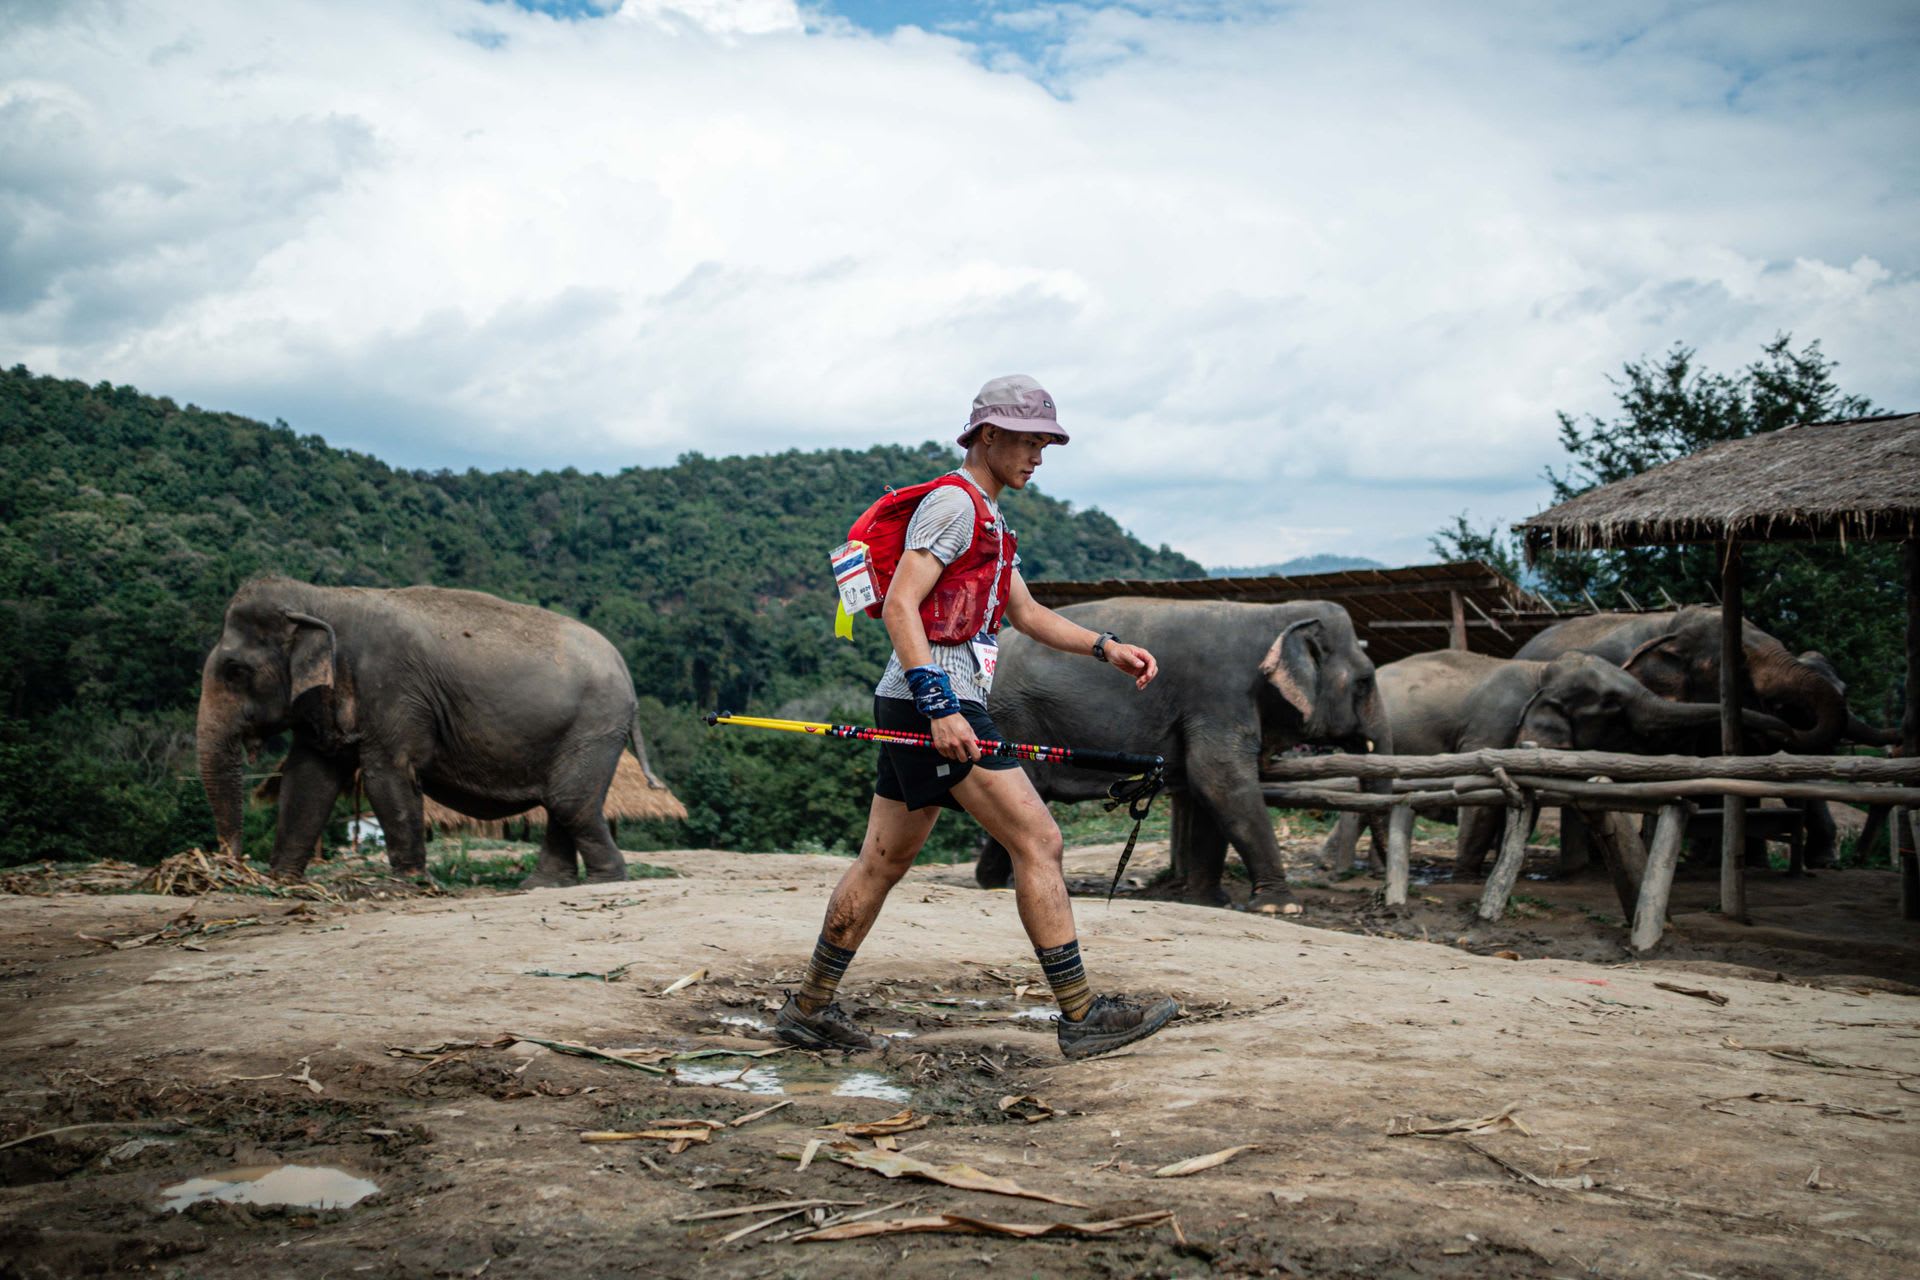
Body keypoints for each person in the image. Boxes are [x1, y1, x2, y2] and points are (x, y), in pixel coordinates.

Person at [776, 374, 1179, 1061]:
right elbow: (903, 605)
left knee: (884, 859)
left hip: (916, 698)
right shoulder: (954, 507)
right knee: (1040, 841)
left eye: (1045, 443)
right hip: (938, 700)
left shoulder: (990, 519)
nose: (1038, 456)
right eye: (1026, 441)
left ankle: (809, 1009)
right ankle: (1081, 1014)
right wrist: (938, 705)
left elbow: (1025, 615)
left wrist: (1105, 648)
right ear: (987, 436)